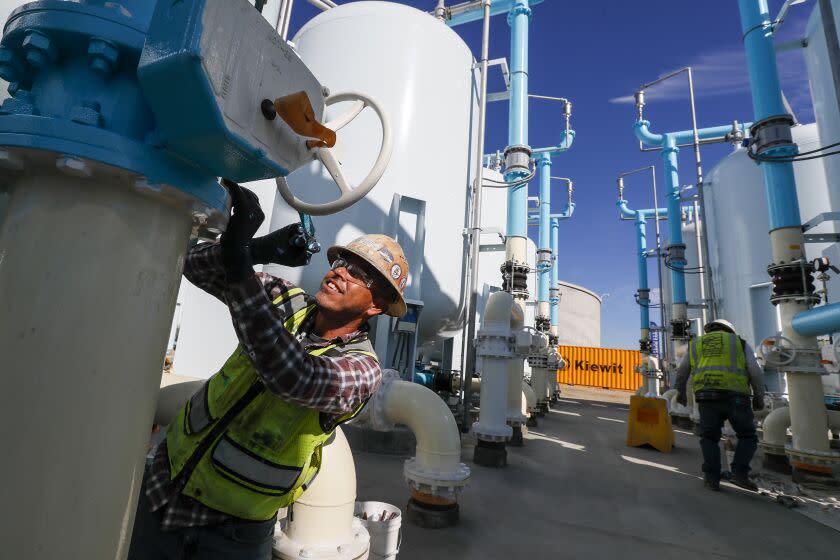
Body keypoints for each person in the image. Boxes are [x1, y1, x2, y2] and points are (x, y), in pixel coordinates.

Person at [129, 181, 409, 559]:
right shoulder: (287, 299)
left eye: (360, 274)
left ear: (377, 305)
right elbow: (193, 265)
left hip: (231, 533)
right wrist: (254, 249)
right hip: (162, 488)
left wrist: (241, 265)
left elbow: (292, 376)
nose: (341, 272)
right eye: (342, 263)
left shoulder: (362, 369)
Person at [675, 319, 765, 492]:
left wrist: (680, 392)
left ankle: (711, 478)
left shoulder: (695, 344)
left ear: (709, 330)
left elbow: (682, 370)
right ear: (730, 330)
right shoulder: (738, 342)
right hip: (736, 397)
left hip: (707, 397)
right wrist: (759, 396)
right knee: (747, 436)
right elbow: (755, 370)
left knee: (709, 438)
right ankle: (739, 473)